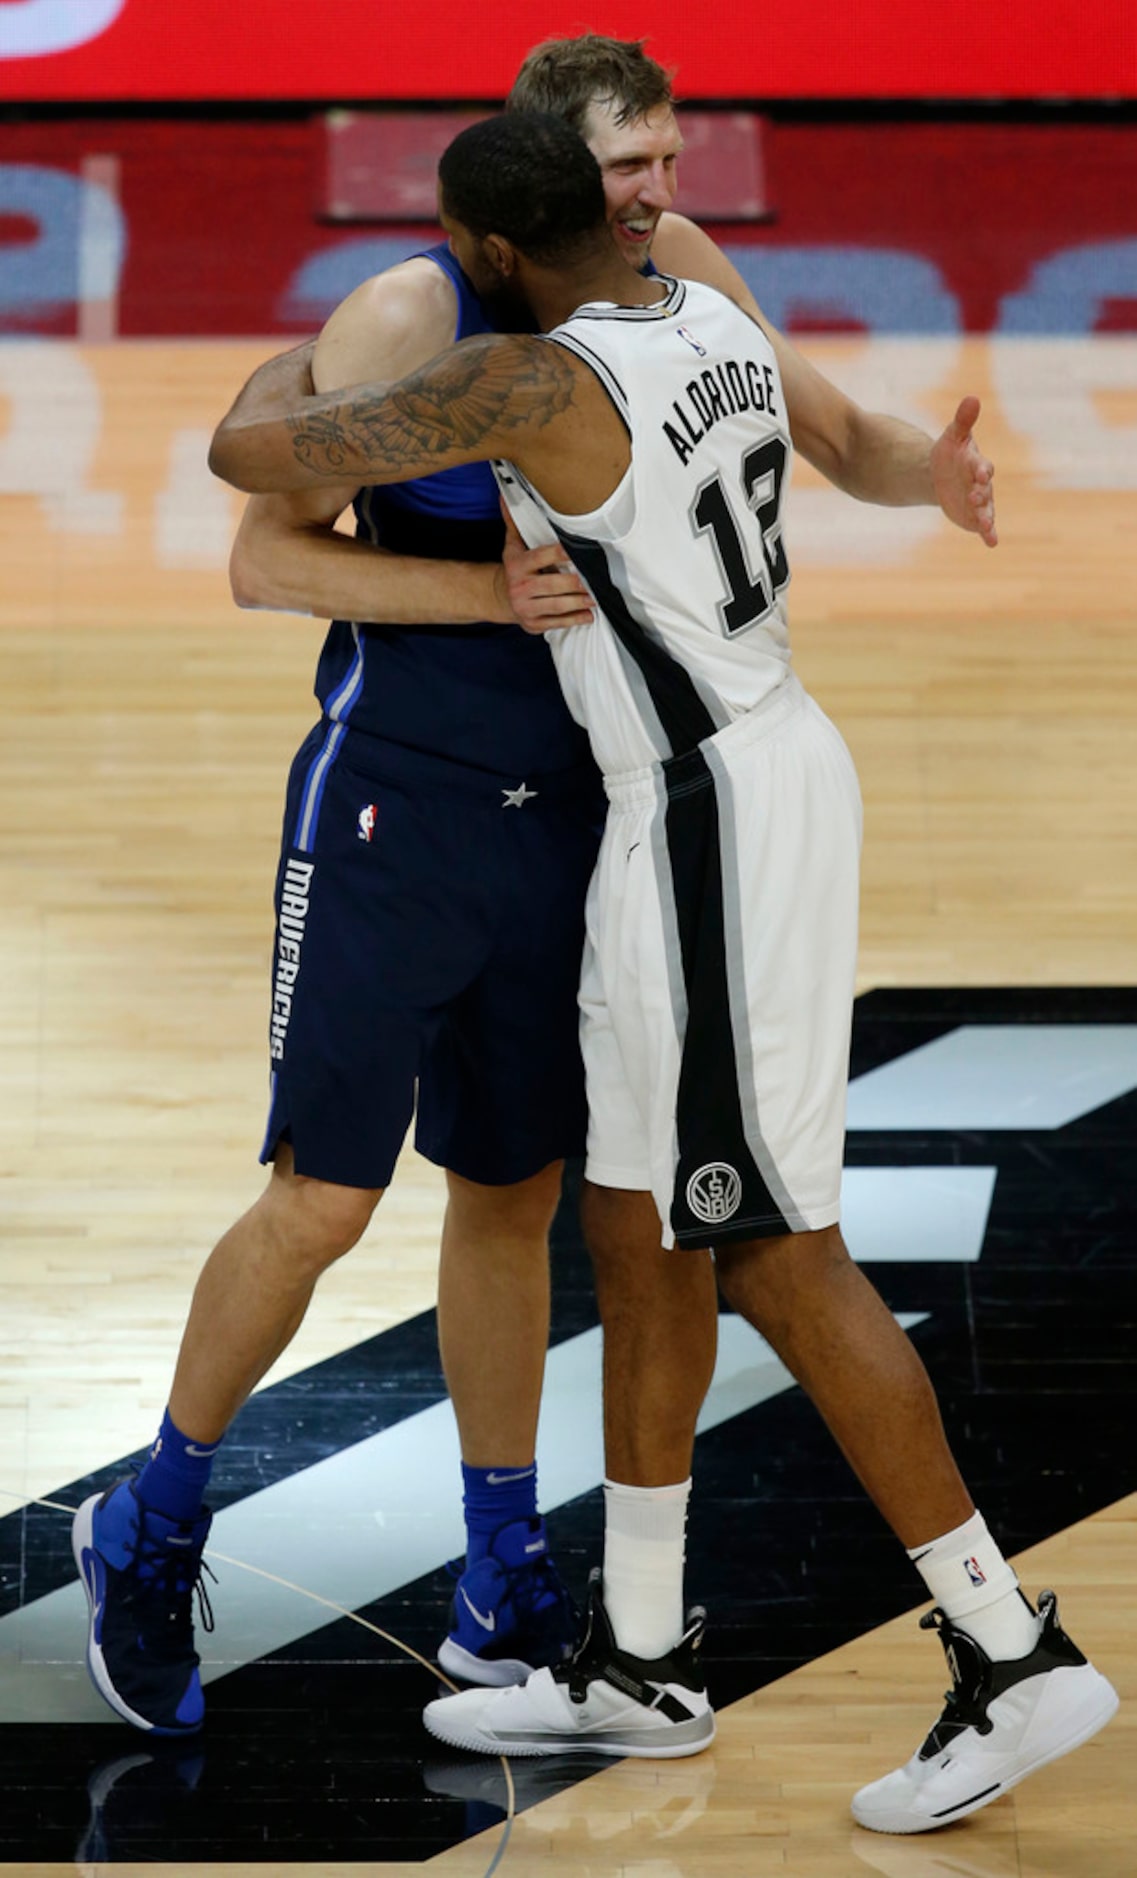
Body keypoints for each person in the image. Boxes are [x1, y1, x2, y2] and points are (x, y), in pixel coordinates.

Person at [208, 108, 1119, 1834]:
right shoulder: (700, 302)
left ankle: (1006, 1652)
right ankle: (639, 1658)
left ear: (483, 257)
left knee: (772, 1246)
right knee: (629, 1221)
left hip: (710, 812)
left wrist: (283, 378)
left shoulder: (517, 385)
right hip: (694, 798)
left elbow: (260, 464)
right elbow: (835, 435)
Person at [66, 28, 758, 1739]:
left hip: (571, 814)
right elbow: (257, 557)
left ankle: (498, 1567)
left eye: (669, 169)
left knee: (512, 1192)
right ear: (532, 199)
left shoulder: (663, 295)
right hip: (393, 807)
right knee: (323, 1196)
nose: (658, 201)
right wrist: (482, 602)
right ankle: (148, 1521)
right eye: (628, 174)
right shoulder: (405, 319)